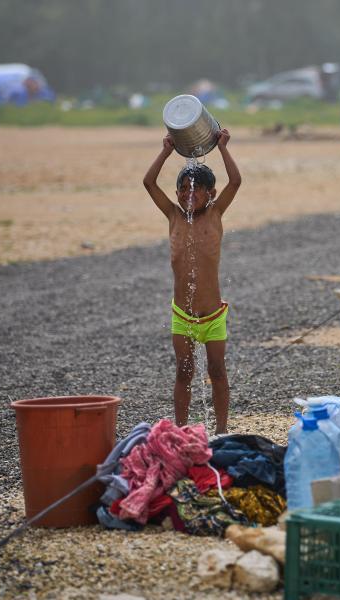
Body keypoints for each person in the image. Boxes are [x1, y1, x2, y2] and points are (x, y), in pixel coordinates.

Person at [142, 129, 241, 434]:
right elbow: (148, 182)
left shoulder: (215, 214)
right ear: (176, 193)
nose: (188, 194)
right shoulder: (172, 215)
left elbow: (235, 181)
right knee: (184, 373)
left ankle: (222, 430)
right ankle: (182, 431)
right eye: (183, 189)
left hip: (213, 316)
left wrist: (223, 147)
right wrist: (166, 151)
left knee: (217, 371)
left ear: (210, 194)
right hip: (182, 317)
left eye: (196, 190)